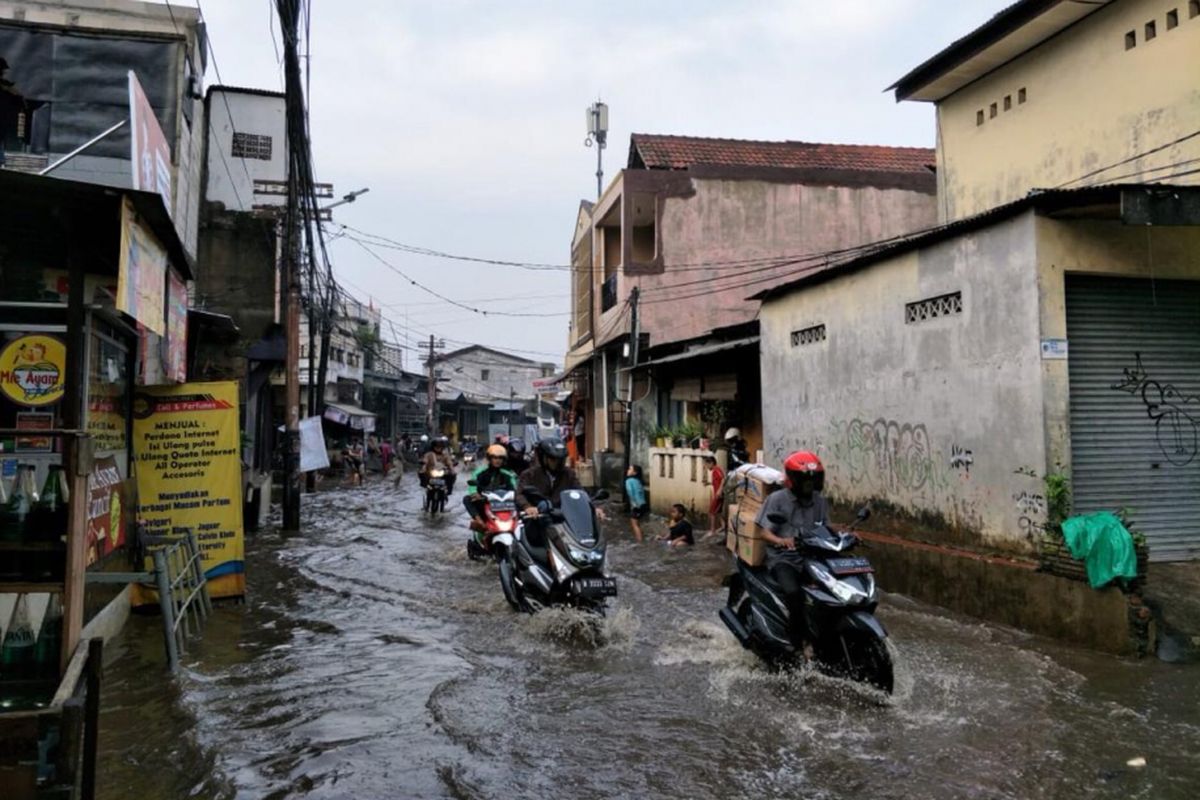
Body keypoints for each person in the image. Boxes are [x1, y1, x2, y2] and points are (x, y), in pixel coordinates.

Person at [755, 450, 830, 650]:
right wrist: (782, 540)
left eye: (812, 480)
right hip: (783, 559)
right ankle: (798, 642)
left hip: (812, 558)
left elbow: (826, 528)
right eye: (805, 480)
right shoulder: (777, 499)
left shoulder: (820, 501)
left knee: (831, 591)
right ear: (793, 479)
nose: (809, 484)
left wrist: (846, 534)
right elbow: (764, 533)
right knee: (793, 592)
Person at [463, 444, 519, 530]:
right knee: (467, 499)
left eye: (500, 458)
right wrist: (475, 493)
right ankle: (479, 521)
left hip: (504, 503)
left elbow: (514, 488)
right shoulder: (479, 472)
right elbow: (472, 487)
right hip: (484, 501)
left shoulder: (508, 474)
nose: (498, 460)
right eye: (495, 458)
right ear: (490, 459)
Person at [624, 464, 648, 543]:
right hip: (643, 504)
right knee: (638, 523)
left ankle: (640, 542)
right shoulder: (638, 481)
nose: (628, 470)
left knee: (635, 525)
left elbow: (630, 492)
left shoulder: (629, 481)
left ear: (635, 473)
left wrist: (634, 505)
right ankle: (642, 539)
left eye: (630, 469)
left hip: (636, 505)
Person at [703, 455, 724, 540]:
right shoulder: (715, 471)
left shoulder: (716, 470)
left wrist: (719, 490)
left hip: (718, 494)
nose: (706, 467)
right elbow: (716, 482)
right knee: (718, 511)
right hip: (717, 493)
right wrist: (708, 483)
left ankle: (712, 530)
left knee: (712, 511)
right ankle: (723, 526)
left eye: (707, 465)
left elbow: (723, 479)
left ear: (711, 463)